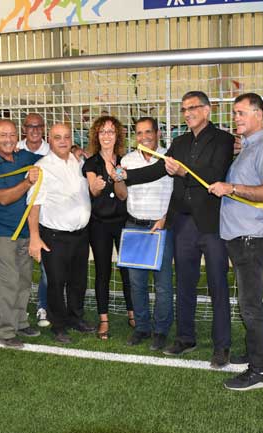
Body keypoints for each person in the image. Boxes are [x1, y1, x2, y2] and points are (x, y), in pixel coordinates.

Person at [123, 91, 234, 365]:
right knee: (184, 283)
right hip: (183, 223)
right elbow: (158, 170)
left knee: (217, 284)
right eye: (184, 109)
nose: (188, 113)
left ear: (207, 110)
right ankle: (185, 338)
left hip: (211, 224)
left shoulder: (224, 140)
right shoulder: (180, 142)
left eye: (193, 107)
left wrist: (185, 171)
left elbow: (215, 175)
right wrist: (126, 175)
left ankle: (222, 345)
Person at [209, 93, 263, 390]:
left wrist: (232, 188)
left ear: (258, 115)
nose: (236, 118)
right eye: (235, 113)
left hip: (251, 237)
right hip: (240, 236)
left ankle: (259, 372)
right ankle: (257, 354)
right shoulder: (249, 147)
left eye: (241, 113)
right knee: (248, 303)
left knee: (250, 305)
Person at [28, 123, 94, 344]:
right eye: (58, 137)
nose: (63, 141)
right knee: (56, 283)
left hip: (81, 235)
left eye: (67, 137)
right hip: (55, 236)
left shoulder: (79, 162)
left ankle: (76, 318)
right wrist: (35, 237)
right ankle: (58, 326)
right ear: (50, 140)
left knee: (78, 281)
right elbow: (34, 205)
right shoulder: (42, 167)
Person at [0, 119, 42, 348]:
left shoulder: (24, 157)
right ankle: (5, 332)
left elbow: (49, 161)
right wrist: (27, 182)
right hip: (1, 235)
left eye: (12, 135)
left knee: (24, 280)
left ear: (18, 137)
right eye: (3, 135)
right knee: (8, 283)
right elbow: (3, 198)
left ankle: (21, 321)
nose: (8, 139)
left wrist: (75, 151)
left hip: (25, 232)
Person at [118, 117, 174, 351]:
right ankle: (142, 327)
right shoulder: (127, 160)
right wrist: (116, 178)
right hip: (134, 226)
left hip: (160, 227)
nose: (144, 137)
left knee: (163, 284)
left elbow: (178, 194)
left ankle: (161, 330)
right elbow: (122, 194)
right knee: (136, 283)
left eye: (148, 132)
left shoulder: (169, 159)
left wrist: (166, 218)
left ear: (158, 133)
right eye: (139, 133)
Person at [82, 115, 134, 340]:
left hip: (122, 222)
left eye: (111, 131)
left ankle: (133, 313)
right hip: (99, 225)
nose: (106, 136)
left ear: (117, 136)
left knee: (127, 270)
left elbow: (123, 196)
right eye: (102, 131)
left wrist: (118, 179)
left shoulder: (124, 161)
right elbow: (93, 191)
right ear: (97, 135)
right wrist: (95, 186)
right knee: (102, 271)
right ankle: (103, 319)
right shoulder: (91, 163)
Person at [17, 113, 50, 327]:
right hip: (17, 219)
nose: (35, 130)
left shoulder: (52, 151)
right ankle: (13, 310)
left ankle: (42, 307)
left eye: (39, 126)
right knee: (19, 268)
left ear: (44, 128)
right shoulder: (14, 150)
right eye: (31, 126)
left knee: (47, 268)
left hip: (44, 219)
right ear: (24, 129)